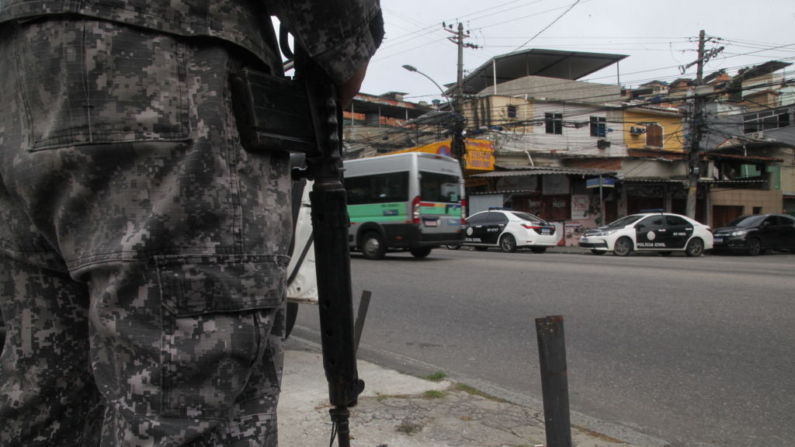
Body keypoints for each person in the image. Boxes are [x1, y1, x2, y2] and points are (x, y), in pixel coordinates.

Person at [0, 1, 384, 446]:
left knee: (43, 398)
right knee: (187, 406)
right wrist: (349, 48)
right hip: (169, 62)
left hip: (17, 80)